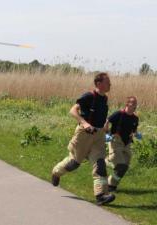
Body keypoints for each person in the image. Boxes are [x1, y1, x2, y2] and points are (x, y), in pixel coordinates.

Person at [51, 72, 115, 205]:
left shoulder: (105, 99)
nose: (110, 84)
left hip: (98, 135)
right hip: (84, 134)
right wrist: (85, 123)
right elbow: (72, 111)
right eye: (107, 82)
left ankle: (101, 195)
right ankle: (56, 172)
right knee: (74, 163)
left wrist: (105, 129)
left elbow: (101, 116)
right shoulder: (88, 96)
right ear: (99, 84)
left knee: (100, 164)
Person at [105, 96, 141, 192]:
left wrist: (137, 134)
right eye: (132, 103)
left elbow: (134, 130)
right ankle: (105, 160)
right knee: (120, 165)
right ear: (127, 104)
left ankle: (111, 185)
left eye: (135, 103)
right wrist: (106, 133)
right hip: (116, 141)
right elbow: (107, 121)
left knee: (124, 167)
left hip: (127, 143)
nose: (134, 105)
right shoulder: (119, 114)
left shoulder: (135, 118)